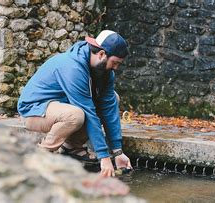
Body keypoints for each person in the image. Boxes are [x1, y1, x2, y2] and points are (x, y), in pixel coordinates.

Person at [17, 30, 132, 177]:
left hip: (61, 107)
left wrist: (117, 152)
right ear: (102, 54)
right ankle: (40, 155)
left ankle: (72, 147)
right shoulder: (72, 67)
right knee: (76, 115)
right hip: (34, 111)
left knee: (113, 99)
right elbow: (88, 112)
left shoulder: (105, 72)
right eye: (115, 62)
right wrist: (104, 156)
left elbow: (109, 109)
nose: (116, 67)